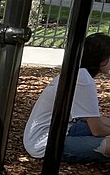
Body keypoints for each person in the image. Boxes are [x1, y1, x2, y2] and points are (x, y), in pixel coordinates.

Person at [23, 32, 110, 162]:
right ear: (101, 59)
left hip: (52, 132)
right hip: (45, 144)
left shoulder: (77, 72)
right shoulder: (83, 80)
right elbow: (96, 129)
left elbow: (92, 119)